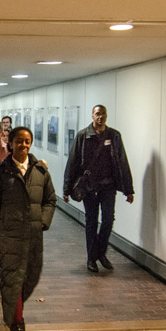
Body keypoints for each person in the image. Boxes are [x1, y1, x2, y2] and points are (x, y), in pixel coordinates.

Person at [0, 126, 56, 331]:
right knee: (13, 284)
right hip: (7, 239)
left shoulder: (40, 171)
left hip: (33, 239)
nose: (24, 145)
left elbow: (50, 200)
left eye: (27, 141)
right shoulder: (0, 173)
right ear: (10, 143)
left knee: (29, 279)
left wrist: (42, 221)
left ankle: (12, 310)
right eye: (19, 141)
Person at [63, 105, 134, 273]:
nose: (100, 117)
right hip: (89, 186)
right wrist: (66, 189)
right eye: (97, 114)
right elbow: (73, 162)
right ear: (92, 116)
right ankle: (91, 258)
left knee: (108, 219)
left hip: (108, 185)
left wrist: (128, 189)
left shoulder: (114, 136)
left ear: (106, 116)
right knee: (92, 221)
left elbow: (122, 162)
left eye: (103, 114)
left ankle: (100, 253)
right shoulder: (83, 136)